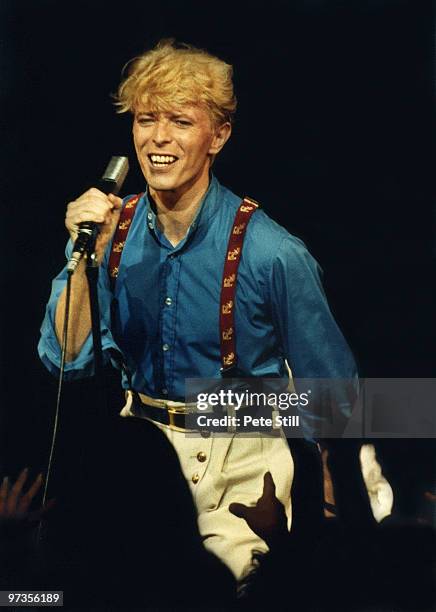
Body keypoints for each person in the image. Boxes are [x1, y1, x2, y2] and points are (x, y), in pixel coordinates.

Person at [38, 39, 358, 579]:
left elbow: (337, 398)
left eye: (180, 122)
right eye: (146, 119)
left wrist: (324, 493)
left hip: (240, 464)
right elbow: (65, 360)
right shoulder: (109, 234)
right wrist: (85, 256)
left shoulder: (273, 253)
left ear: (219, 135)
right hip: (140, 458)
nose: (158, 138)